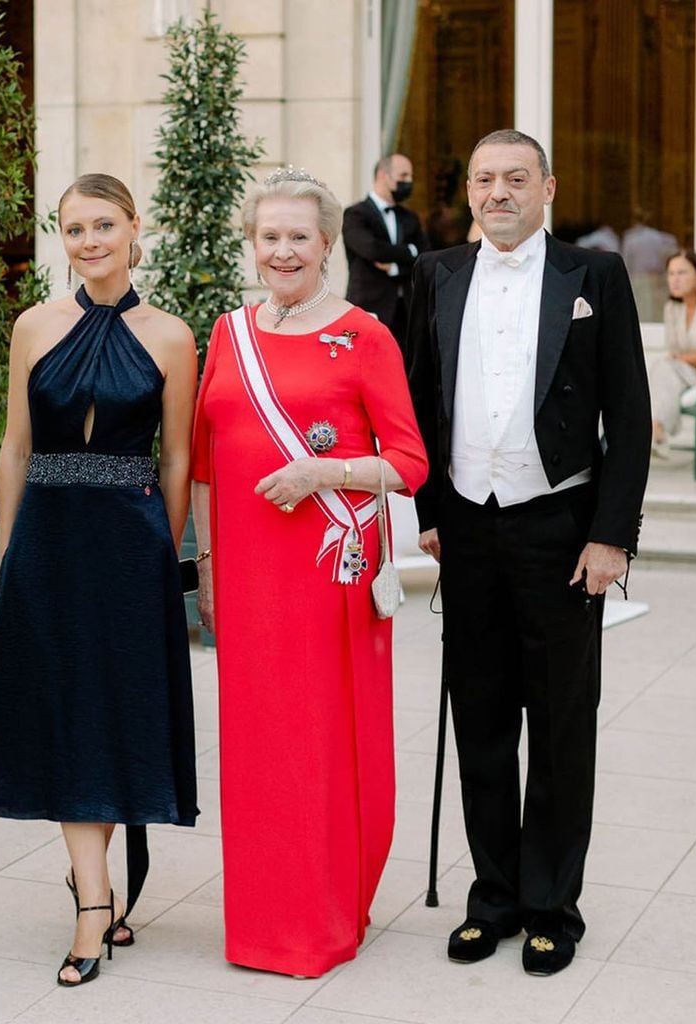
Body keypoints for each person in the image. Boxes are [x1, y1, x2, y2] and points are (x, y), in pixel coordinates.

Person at [406, 129, 651, 976]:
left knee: (558, 724)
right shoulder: (433, 275)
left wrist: (612, 534)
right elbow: (415, 403)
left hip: (561, 528)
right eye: (483, 179)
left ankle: (552, 905)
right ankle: (494, 898)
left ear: (548, 186)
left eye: (516, 177)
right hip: (469, 528)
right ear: (468, 191)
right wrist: (430, 509)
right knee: (478, 719)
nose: (498, 191)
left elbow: (628, 409)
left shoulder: (596, 276)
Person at [191, 167, 429, 977]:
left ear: (329, 243)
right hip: (248, 574)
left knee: (319, 747)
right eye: (270, 237)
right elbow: (202, 464)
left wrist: (324, 475)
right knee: (257, 750)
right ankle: (261, 920)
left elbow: (409, 462)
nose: (284, 250)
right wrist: (209, 566)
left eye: (300, 236)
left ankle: (323, 918)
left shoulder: (365, 335)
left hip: (327, 574)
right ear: (251, 245)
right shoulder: (228, 334)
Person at [0, 173, 199, 988]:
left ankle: (95, 892)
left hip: (130, 540)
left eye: (103, 225)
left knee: (115, 712)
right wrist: (10, 554)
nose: (89, 242)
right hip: (47, 537)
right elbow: (14, 445)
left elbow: (176, 456)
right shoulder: (33, 325)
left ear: (134, 226)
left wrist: (163, 547)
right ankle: (93, 908)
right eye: (73, 230)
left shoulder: (172, 335)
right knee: (67, 712)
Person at [343, 153, 429, 348]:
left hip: (405, 310)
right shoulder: (355, 214)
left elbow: (424, 256)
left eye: (411, 177)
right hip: (369, 306)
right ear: (383, 175)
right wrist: (409, 251)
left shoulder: (410, 218)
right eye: (404, 176)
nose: (409, 182)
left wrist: (394, 268)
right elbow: (371, 249)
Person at [649, 249, 696, 455]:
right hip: (687, 374)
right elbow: (673, 352)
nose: (675, 279)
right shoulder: (672, 308)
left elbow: (678, 356)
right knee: (662, 367)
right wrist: (692, 360)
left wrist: (683, 359)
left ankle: (657, 431)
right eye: (671, 274)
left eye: (682, 273)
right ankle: (657, 429)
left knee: (665, 366)